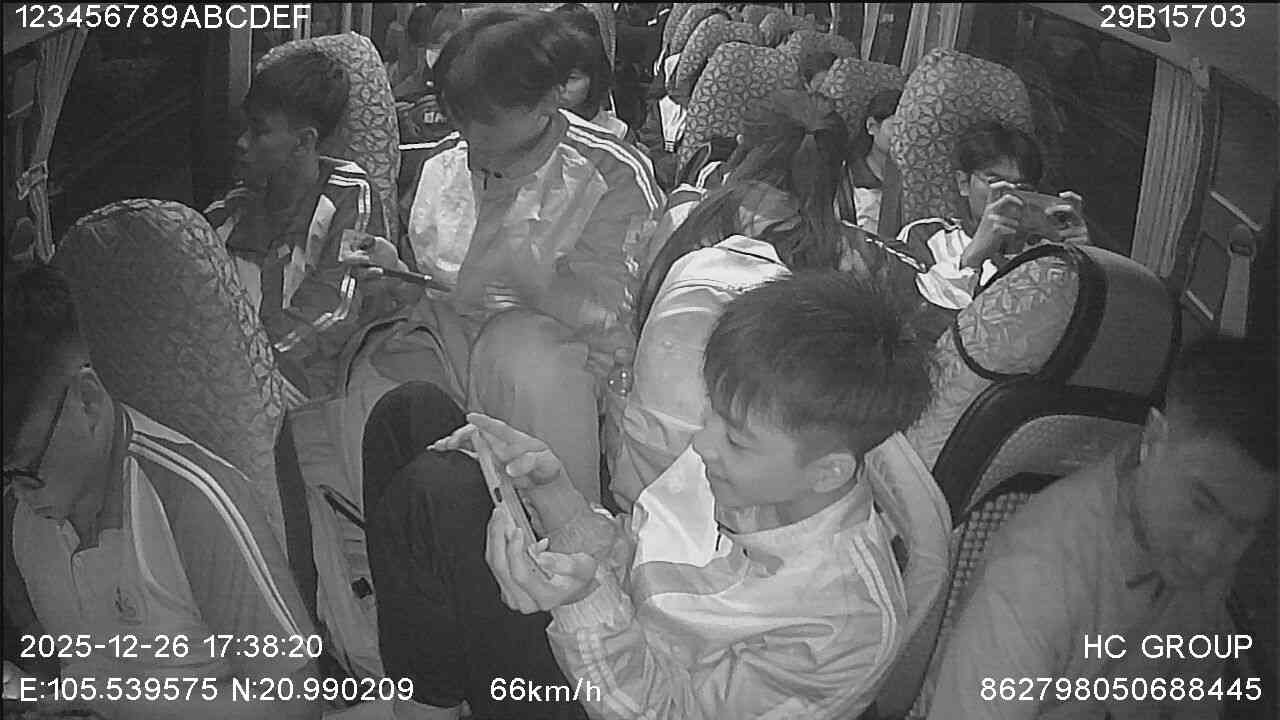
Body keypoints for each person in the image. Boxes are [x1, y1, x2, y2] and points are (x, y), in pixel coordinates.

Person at [471, 271, 946, 719]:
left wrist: (584, 603)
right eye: (712, 412)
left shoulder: (841, 625)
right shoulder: (750, 467)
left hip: (622, 690)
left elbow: (671, 711)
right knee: (444, 453)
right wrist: (555, 497)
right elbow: (647, 558)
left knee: (446, 500)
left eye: (736, 438)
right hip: (616, 644)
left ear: (828, 473)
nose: (702, 443)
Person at [1, 263, 319, 720]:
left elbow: (297, 701)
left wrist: (115, 700)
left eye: (27, 469)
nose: (18, 491)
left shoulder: (191, 501)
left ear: (87, 401)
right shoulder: (17, 517)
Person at [926, 337, 1277, 720]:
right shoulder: (1036, 581)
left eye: (1243, 527)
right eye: (1201, 504)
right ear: (1153, 439)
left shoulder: (1205, 563)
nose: (1212, 549)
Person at [398, 8, 664, 503]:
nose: (472, 147)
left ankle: (568, 526)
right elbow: (437, 282)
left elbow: (619, 316)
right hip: (449, 341)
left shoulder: (611, 173)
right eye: (462, 124)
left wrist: (531, 285)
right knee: (385, 381)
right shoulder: (446, 159)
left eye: (487, 126)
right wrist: (395, 271)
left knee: (525, 355)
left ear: (547, 101)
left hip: (560, 366)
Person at [613, 89, 850, 507]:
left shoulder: (683, 217)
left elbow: (637, 319)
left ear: (741, 147)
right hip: (740, 490)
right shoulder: (837, 259)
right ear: (836, 172)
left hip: (640, 466)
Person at [205, 48, 417, 399]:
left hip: (311, 387)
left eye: (258, 131)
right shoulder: (230, 210)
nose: (241, 143)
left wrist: (242, 363)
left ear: (304, 142)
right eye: (243, 127)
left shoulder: (350, 195)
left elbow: (334, 312)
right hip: (232, 376)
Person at [852, 121, 1089, 344]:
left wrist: (1087, 262)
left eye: (1022, 188)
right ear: (963, 183)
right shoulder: (925, 237)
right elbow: (911, 321)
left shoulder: (1048, 252)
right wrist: (973, 257)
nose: (1009, 197)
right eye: (994, 183)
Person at [551, 3, 631, 141]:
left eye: (571, 78)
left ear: (595, 77)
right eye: (550, 74)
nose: (558, 87)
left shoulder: (616, 133)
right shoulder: (533, 128)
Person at [836, 88, 901, 235]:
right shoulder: (848, 179)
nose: (902, 136)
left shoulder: (915, 179)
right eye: (895, 127)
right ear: (872, 126)